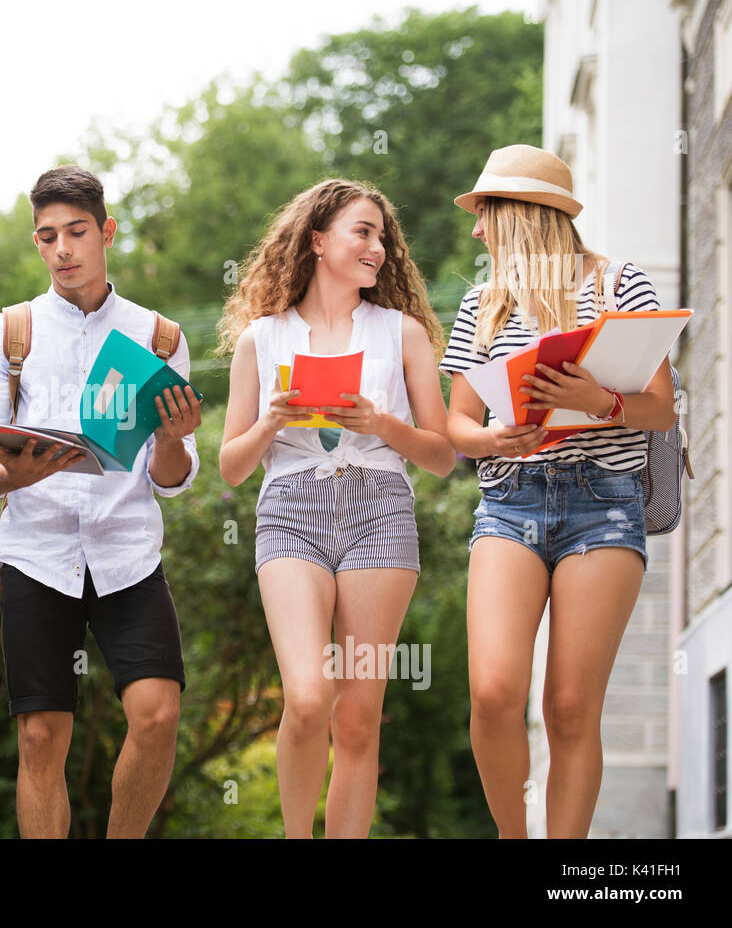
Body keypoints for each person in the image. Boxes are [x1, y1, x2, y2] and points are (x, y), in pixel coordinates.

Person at [0, 165, 202, 839]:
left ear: (106, 233)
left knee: (156, 715)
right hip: (38, 551)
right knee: (40, 734)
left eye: (75, 232)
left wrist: (176, 440)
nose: (61, 249)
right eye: (46, 237)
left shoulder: (159, 339)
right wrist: (10, 477)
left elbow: (171, 477)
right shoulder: (9, 333)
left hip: (126, 552)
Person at [440, 144, 676, 838]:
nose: (477, 230)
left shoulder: (620, 284)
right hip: (511, 503)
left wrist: (597, 400)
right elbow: (458, 424)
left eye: (485, 213)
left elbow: (660, 407)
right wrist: (493, 439)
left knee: (570, 706)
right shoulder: (481, 302)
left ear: (521, 213)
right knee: (492, 693)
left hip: (602, 504)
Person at [217, 179, 454, 838]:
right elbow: (231, 468)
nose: (378, 246)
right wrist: (270, 422)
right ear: (317, 240)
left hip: (380, 510)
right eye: (363, 230)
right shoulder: (260, 341)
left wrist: (381, 423)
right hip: (290, 511)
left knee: (357, 716)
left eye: (383, 236)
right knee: (309, 695)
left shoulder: (402, 335)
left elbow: (440, 456)